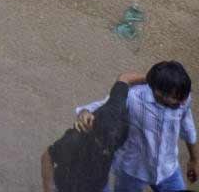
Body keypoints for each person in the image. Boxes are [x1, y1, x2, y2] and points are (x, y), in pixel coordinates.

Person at [75, 61, 198, 192]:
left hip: (168, 170)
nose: (183, 103)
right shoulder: (132, 96)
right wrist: (85, 112)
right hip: (132, 172)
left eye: (184, 97)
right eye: (176, 99)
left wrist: (195, 159)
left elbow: (188, 130)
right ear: (159, 93)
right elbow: (105, 106)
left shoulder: (182, 98)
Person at [42, 72, 144, 192]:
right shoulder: (76, 139)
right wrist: (48, 188)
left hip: (100, 185)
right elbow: (47, 156)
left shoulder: (116, 108)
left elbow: (125, 78)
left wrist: (157, 79)